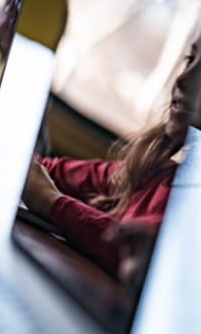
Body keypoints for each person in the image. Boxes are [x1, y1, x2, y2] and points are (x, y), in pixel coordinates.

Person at [22, 34, 201, 277]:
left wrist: (49, 201)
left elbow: (137, 253)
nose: (183, 79)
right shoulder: (157, 169)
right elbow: (56, 172)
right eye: (189, 59)